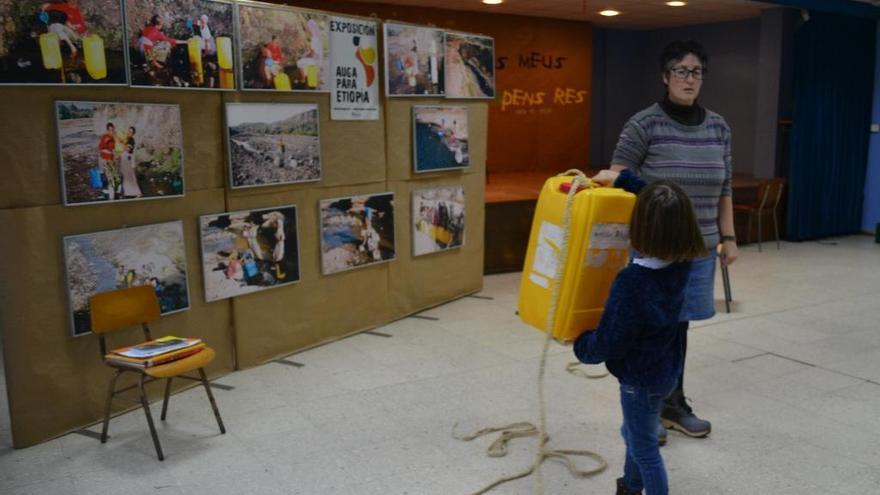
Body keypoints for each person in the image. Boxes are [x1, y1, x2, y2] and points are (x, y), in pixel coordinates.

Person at [606, 39, 739, 443]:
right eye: (680, 71)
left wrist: (729, 236)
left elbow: (725, 186)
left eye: (696, 71)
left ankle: (672, 404)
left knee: (679, 328)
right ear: (665, 77)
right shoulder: (644, 124)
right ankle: (642, 410)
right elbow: (617, 177)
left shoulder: (718, 126)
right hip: (656, 250)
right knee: (650, 328)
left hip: (699, 250)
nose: (689, 78)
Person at [573, 174, 708, 495]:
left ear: (640, 227)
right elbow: (666, 204)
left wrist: (580, 345)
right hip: (665, 370)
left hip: (639, 381)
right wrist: (622, 179)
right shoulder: (683, 260)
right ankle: (630, 486)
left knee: (645, 449)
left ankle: (638, 485)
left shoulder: (632, 282)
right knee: (633, 433)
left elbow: (609, 342)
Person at [97, 122, 118, 200]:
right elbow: (100, 147)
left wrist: (115, 155)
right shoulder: (105, 136)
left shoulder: (114, 137)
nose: (111, 131)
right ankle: (109, 195)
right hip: (104, 159)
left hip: (111, 159)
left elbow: (115, 148)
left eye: (112, 130)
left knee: (112, 176)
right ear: (107, 130)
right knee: (108, 176)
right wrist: (106, 141)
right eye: (109, 130)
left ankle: (110, 193)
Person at [119, 127, 141, 198]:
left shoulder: (131, 140)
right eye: (129, 131)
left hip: (128, 159)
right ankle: (128, 192)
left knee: (130, 176)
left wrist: (122, 143)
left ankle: (136, 193)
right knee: (126, 176)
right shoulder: (126, 139)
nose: (129, 133)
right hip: (124, 158)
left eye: (131, 132)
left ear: (133, 134)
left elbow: (128, 149)